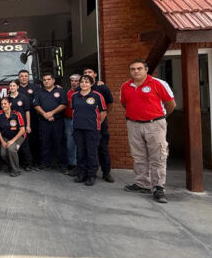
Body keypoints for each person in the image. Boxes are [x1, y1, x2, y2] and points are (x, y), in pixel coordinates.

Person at [120, 59, 176, 204]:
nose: (136, 71)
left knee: (158, 155)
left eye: (139, 68)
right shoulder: (126, 86)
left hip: (154, 124)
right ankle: (142, 183)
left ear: (146, 69)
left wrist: (159, 117)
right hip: (134, 124)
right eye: (133, 69)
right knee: (138, 155)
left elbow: (170, 104)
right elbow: (125, 104)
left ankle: (158, 186)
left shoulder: (158, 84)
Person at [70, 75, 107, 186]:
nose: (84, 84)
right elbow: (74, 111)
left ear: (91, 84)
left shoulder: (97, 96)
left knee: (91, 153)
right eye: (82, 82)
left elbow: (103, 112)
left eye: (87, 82)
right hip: (78, 129)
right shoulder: (75, 96)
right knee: (80, 152)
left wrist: (97, 124)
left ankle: (91, 175)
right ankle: (82, 173)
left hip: (92, 129)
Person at [83, 67, 115, 182]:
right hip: (86, 125)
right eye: (85, 73)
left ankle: (106, 172)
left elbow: (110, 104)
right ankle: (90, 172)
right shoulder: (81, 88)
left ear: (95, 74)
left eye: (90, 72)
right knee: (89, 149)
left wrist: (102, 118)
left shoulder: (102, 87)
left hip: (100, 124)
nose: (87, 74)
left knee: (103, 148)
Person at [33, 73, 68, 172]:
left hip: (58, 121)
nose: (46, 81)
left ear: (53, 80)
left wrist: (51, 113)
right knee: (45, 142)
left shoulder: (60, 91)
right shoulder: (39, 92)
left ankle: (63, 165)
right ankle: (44, 163)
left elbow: (64, 104)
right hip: (44, 122)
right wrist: (44, 114)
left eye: (48, 79)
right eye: (44, 80)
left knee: (60, 142)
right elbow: (36, 104)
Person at [0, 96, 26, 177]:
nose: (3, 105)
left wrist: (12, 141)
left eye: (5, 103)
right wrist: (2, 141)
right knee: (3, 154)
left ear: (10, 104)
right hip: (5, 137)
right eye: (2, 104)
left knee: (11, 149)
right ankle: (11, 165)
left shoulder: (17, 114)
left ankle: (16, 170)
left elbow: (22, 130)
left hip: (18, 137)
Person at [7, 80, 34, 171]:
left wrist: (28, 125)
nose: (12, 87)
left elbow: (27, 112)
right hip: (11, 126)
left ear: (18, 87)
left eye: (14, 85)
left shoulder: (23, 97)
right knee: (13, 145)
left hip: (22, 125)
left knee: (25, 145)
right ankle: (15, 164)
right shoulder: (7, 99)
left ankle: (28, 164)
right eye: (10, 86)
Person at [17, 69, 42, 165]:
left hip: (33, 117)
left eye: (26, 76)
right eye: (22, 76)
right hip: (20, 118)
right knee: (22, 141)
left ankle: (36, 161)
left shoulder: (35, 87)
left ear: (28, 77)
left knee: (34, 139)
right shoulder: (16, 88)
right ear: (19, 78)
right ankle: (23, 161)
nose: (24, 78)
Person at [65, 74, 81, 176]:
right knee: (70, 143)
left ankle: (80, 165)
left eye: (76, 81)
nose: (74, 83)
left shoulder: (83, 93)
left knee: (80, 143)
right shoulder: (67, 92)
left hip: (80, 121)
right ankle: (72, 164)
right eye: (72, 81)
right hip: (68, 120)